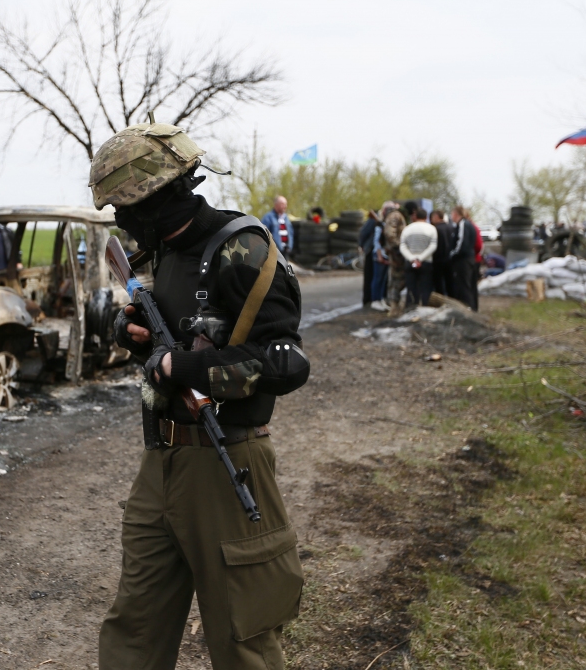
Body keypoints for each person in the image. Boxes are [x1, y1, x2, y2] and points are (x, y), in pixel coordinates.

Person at [89, 119, 308, 670]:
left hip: (228, 460)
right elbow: (161, 329)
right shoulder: (159, 252)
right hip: (160, 462)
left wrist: (181, 365)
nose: (122, 222)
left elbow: (283, 365)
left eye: (128, 209)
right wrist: (131, 333)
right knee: (133, 629)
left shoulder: (243, 251)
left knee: (242, 640)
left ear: (162, 198)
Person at [399, 208, 438, 308]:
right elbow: (433, 246)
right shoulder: (432, 229)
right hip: (426, 262)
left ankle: (411, 308)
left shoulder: (407, 229)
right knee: (426, 288)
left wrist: (412, 258)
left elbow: (402, 246)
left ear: (415, 217)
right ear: (426, 217)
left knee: (411, 288)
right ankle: (425, 308)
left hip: (410, 262)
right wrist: (420, 258)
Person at [447, 205, 479, 310]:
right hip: (470, 258)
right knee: (470, 285)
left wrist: (452, 254)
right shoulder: (469, 224)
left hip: (463, 260)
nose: (451, 216)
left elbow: (461, 243)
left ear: (456, 214)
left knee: (463, 285)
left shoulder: (462, 225)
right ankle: (473, 307)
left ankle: (467, 307)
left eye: (452, 214)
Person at [383, 200, 409, 314]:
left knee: (397, 278)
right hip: (397, 253)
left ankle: (394, 304)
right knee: (397, 279)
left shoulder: (393, 216)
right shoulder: (395, 216)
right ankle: (394, 305)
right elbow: (390, 234)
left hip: (396, 252)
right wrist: (399, 247)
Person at [359, 210, 379, 306]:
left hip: (374, 250)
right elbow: (363, 232)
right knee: (369, 275)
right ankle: (367, 299)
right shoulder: (374, 220)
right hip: (371, 250)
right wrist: (362, 245)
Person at [430, 210, 452, 296]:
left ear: (436, 217)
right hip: (450, 260)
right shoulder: (451, 227)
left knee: (439, 285)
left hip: (438, 260)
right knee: (450, 283)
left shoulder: (435, 229)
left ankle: (441, 302)